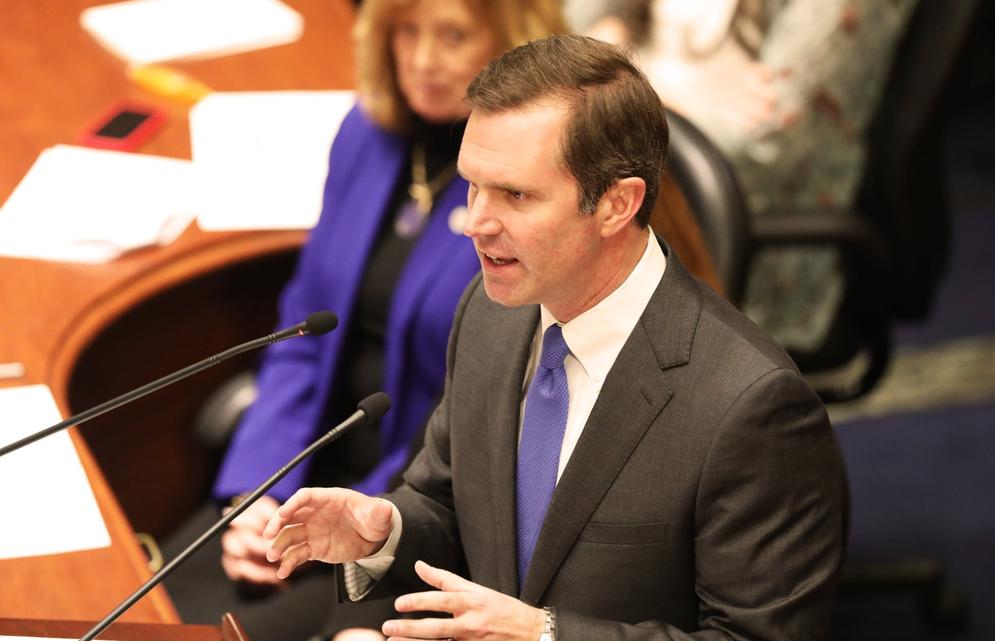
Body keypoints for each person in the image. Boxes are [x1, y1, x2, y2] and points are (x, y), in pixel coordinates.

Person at [262, 34, 848, 641]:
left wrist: (545, 635)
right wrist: (384, 533)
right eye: (472, 186)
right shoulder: (489, 314)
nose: (474, 223)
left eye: (514, 194)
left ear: (617, 204)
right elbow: (445, 500)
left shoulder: (751, 407)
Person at [162, 2, 564, 640]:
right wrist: (259, 492)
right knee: (136, 606)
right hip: (306, 474)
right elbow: (302, 333)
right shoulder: (365, 133)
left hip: (414, 517)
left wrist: (346, 522)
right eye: (406, 31)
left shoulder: (527, 188)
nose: (423, 60)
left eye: (453, 35)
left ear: (514, 40)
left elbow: (482, 416)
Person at [565, 0, 918, 357]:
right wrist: (669, 86)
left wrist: (621, 79)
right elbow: (574, 32)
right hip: (637, 203)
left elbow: (763, 143)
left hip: (732, 245)